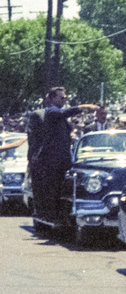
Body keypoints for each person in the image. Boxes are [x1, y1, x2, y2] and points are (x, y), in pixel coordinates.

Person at [30, 87, 99, 225]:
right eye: (61, 98)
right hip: (53, 159)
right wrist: (82, 107)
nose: (64, 100)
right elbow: (63, 113)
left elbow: (67, 128)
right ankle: (51, 215)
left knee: (65, 188)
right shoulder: (51, 111)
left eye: (64, 98)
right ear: (53, 98)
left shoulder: (59, 116)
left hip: (63, 157)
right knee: (54, 188)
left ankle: (63, 215)